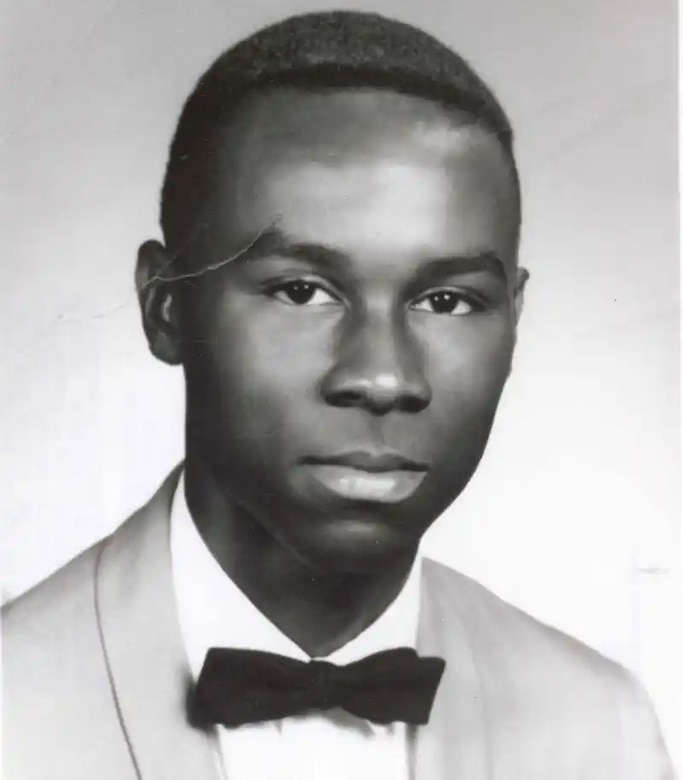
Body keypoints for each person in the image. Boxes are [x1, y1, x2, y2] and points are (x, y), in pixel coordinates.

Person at [2, 10, 673, 780]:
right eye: (301, 291)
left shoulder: (604, 729)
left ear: (514, 322)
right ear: (166, 307)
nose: (385, 377)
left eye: (448, 301)